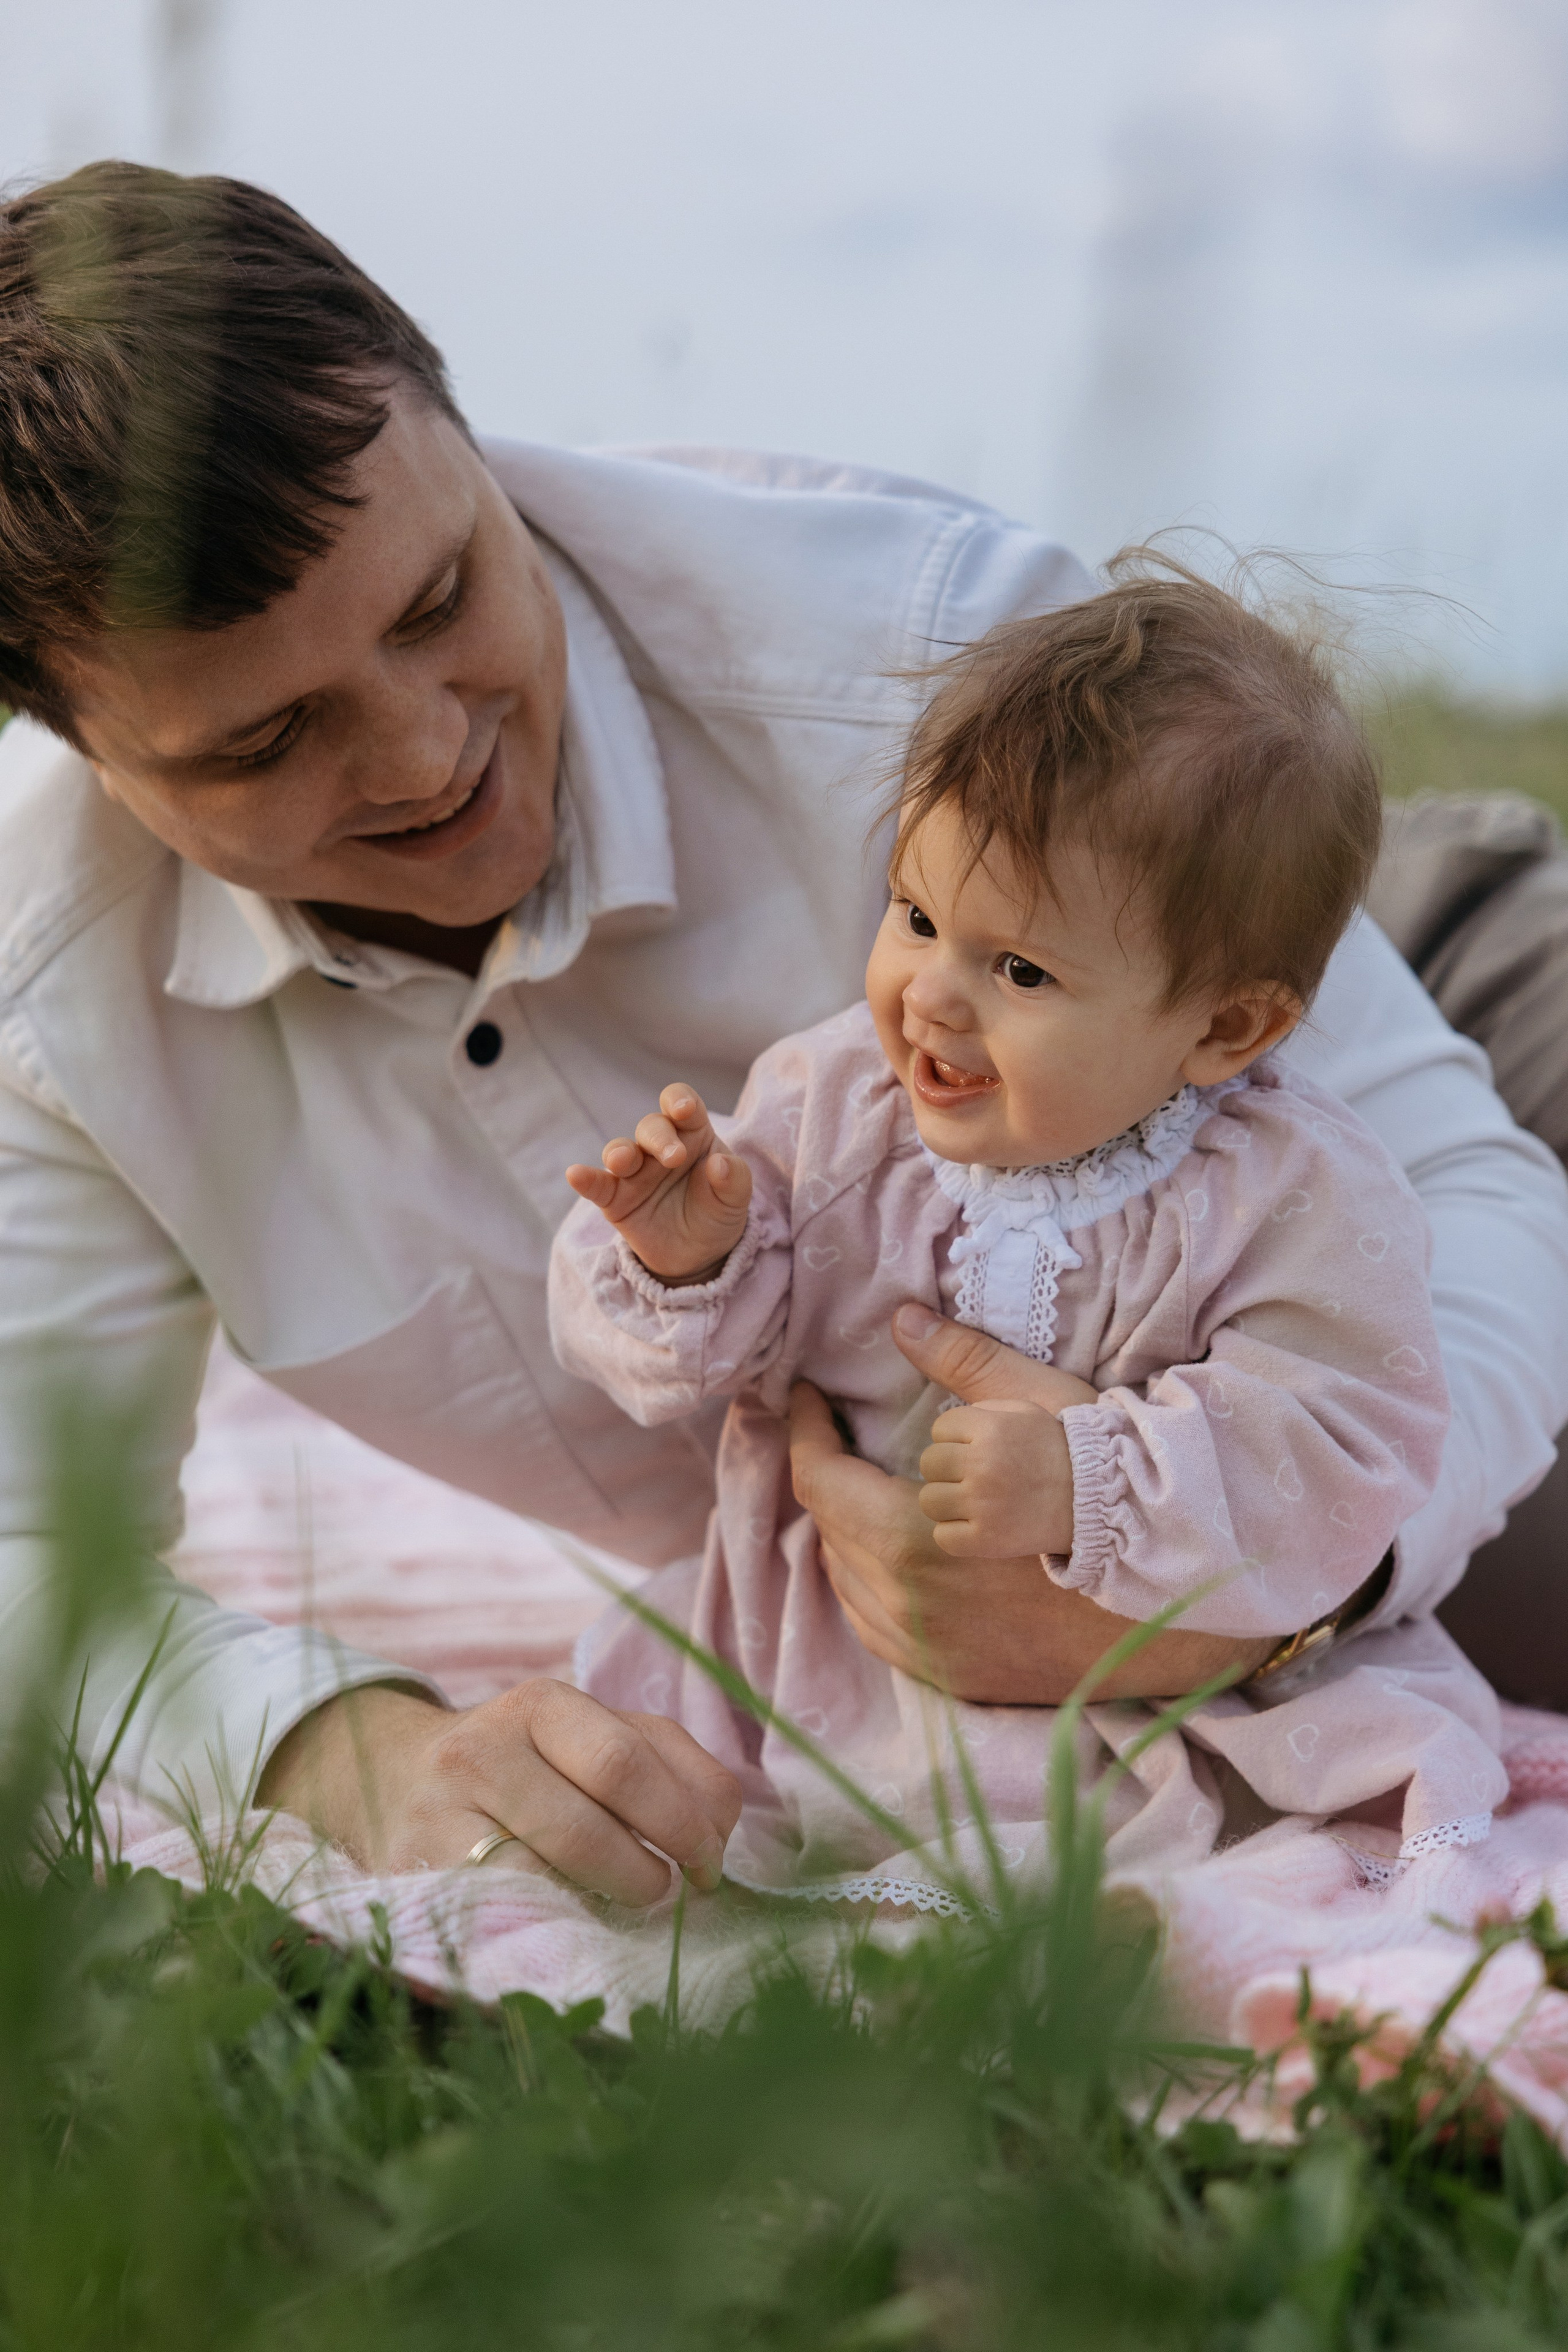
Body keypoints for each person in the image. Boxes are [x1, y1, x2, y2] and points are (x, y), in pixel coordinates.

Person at [0, 163, 1563, 1898]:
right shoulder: (44, 1010)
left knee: (1534, 1591)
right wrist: (344, 1748)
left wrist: (1256, 1614)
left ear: (464, 428)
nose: (426, 754)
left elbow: (1471, 1203)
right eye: (266, 740)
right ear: (76, 741)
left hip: (1366, 968)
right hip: (916, 1602)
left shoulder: (920, 644)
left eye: (442, 600)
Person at [549, 579, 1503, 1901]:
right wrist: (689, 1255)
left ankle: (1128, 1927)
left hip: (1155, 1686)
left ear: (1223, 1030)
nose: (927, 996)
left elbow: (1343, 1441)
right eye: (917, 915)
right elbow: (700, 1351)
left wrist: (1086, 1478)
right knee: (646, 1762)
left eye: (1021, 972)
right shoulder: (832, 1112)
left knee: (1288, 1832)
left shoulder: (1288, 1193)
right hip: (824, 1652)